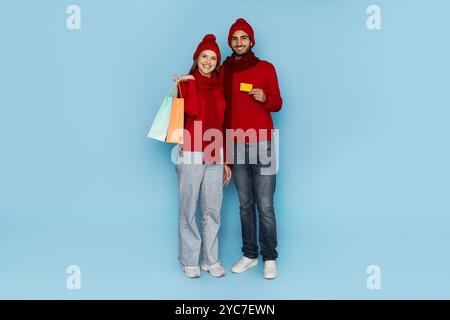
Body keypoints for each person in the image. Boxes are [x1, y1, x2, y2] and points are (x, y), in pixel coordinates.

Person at [222, 18, 283, 279]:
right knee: (245, 205)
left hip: (263, 144)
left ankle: (269, 257)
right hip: (235, 144)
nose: (239, 43)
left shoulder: (266, 68)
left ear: (251, 41)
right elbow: (214, 103)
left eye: (243, 38)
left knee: (265, 205)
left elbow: (278, 103)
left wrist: (265, 98)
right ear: (230, 43)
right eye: (234, 39)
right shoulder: (224, 71)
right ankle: (249, 255)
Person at [174, 34, 232, 278]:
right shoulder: (186, 83)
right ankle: (189, 260)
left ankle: (211, 259)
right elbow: (194, 110)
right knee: (189, 209)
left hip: (215, 152)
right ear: (196, 58)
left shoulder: (219, 86)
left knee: (213, 209)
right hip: (191, 151)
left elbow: (222, 122)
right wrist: (187, 84)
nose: (208, 61)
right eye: (204, 56)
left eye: (213, 58)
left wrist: (226, 158)